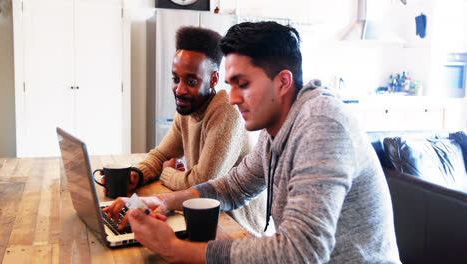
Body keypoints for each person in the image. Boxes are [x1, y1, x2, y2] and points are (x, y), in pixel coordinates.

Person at [105, 21, 401, 263]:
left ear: (283, 82)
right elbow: (233, 187)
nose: (233, 98)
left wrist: (175, 249)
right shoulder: (278, 128)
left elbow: (300, 253)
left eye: (243, 84)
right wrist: (163, 200)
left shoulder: (320, 125)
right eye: (231, 85)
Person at [103, 26, 267, 237]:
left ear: (214, 79)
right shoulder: (188, 108)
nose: (179, 90)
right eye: (175, 79)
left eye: (191, 81)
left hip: (236, 229)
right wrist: (137, 174)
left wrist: (167, 173)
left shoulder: (226, 109)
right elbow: (162, 154)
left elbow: (203, 182)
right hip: (202, 219)